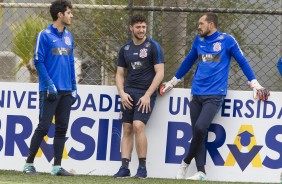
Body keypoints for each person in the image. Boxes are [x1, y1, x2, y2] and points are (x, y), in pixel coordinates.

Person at [160, 12, 269, 180]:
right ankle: (201, 172)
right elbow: (188, 61)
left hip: (215, 95)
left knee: (200, 128)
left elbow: (242, 61)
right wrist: (172, 82)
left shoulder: (227, 40)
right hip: (196, 93)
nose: (198, 26)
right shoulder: (198, 41)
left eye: (201, 23)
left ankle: (185, 162)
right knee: (198, 133)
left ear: (211, 24)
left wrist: (254, 82)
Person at [23, 0, 77, 176]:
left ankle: (57, 167)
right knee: (44, 127)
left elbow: (70, 62)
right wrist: (49, 84)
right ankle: (28, 164)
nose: (71, 16)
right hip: (49, 91)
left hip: (66, 91)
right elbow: (38, 61)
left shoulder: (69, 37)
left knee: (62, 128)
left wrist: (74, 87)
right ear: (60, 14)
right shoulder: (44, 35)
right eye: (69, 12)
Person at [114, 14, 164, 179]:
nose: (141, 30)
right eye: (138, 27)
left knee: (137, 126)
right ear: (131, 28)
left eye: (143, 27)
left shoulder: (153, 47)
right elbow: (120, 74)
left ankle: (142, 168)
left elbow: (160, 73)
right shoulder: (125, 49)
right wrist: (122, 93)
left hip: (145, 94)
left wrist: (148, 95)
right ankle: (124, 168)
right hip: (128, 93)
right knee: (127, 128)